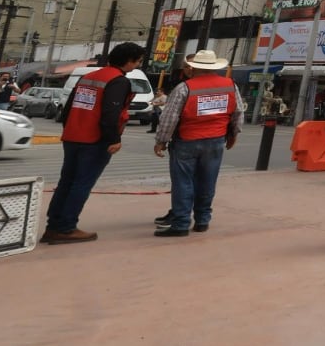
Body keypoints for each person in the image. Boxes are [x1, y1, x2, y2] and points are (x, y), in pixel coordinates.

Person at [42, 42, 145, 244]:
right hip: (94, 140)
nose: (138, 65)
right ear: (129, 61)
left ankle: (53, 226)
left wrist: (70, 129)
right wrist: (113, 139)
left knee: (67, 182)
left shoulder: (87, 76)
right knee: (82, 183)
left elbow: (69, 109)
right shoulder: (118, 81)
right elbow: (110, 113)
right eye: (138, 61)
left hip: (73, 137)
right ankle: (66, 227)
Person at [152, 49, 241, 236]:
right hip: (216, 140)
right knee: (207, 182)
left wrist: (161, 140)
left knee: (183, 182)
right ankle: (202, 221)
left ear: (193, 67)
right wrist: (233, 134)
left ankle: (181, 224)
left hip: (187, 140)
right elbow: (237, 112)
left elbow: (170, 117)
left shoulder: (185, 87)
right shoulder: (230, 85)